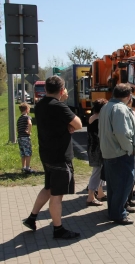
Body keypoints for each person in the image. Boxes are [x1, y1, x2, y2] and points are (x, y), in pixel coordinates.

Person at [23, 76, 82, 239]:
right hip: (60, 156)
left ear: (46, 88)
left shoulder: (40, 104)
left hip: (46, 154)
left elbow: (56, 123)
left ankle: (32, 217)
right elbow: (78, 124)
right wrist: (67, 120)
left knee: (48, 188)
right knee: (57, 195)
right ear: (62, 90)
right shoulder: (59, 106)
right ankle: (58, 229)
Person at [99, 84, 135, 225]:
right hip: (120, 153)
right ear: (128, 96)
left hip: (108, 152)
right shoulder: (120, 109)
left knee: (113, 186)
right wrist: (129, 149)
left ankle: (113, 211)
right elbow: (121, 133)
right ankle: (118, 214)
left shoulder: (107, 107)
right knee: (124, 183)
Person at [86, 99, 108, 206]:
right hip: (98, 148)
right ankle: (91, 196)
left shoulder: (92, 117)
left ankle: (100, 193)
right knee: (97, 172)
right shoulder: (100, 119)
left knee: (99, 171)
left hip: (92, 147)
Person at [17, 102, 35, 174]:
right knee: (28, 152)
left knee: (23, 153)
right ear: (27, 109)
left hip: (20, 137)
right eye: (29, 109)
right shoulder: (27, 117)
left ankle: (23, 167)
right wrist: (29, 131)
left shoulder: (19, 119)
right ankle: (27, 168)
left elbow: (17, 129)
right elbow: (30, 123)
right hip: (25, 137)